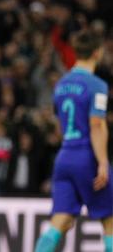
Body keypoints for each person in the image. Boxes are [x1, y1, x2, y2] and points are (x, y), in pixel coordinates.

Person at [35, 29, 112, 252]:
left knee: (61, 221)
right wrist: (103, 163)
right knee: (110, 221)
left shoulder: (60, 84)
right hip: (86, 156)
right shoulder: (97, 85)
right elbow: (96, 125)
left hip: (64, 157)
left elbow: (60, 122)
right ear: (97, 53)